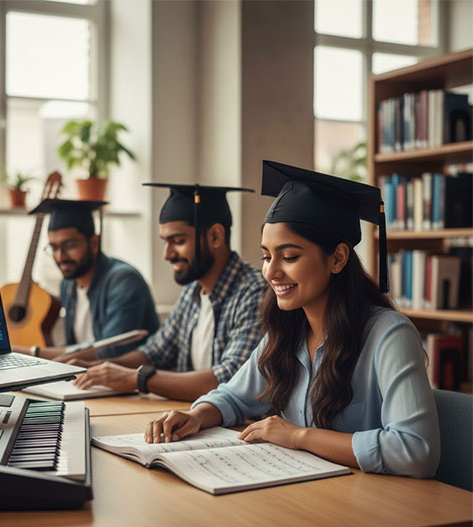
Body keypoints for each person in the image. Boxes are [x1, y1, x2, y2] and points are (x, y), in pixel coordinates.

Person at [144, 161, 440, 478]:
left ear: (338, 258)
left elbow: (415, 450)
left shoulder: (389, 336)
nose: (271, 272)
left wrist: (298, 436)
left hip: (370, 504)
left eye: (289, 257)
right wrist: (198, 415)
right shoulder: (287, 330)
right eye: (266, 256)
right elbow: (233, 395)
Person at [71, 183, 267, 402]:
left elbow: (231, 380)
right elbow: (155, 352)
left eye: (178, 241)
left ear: (215, 237)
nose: (167, 254)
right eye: (166, 242)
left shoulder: (254, 292)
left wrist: (139, 378)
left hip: (238, 428)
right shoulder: (193, 291)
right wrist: (96, 368)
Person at [19, 198, 160, 360]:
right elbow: (73, 348)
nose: (60, 256)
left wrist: (29, 353)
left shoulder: (124, 280)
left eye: (69, 245)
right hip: (86, 379)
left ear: (94, 242)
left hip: (128, 381)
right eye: (54, 248)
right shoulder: (68, 284)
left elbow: (108, 350)